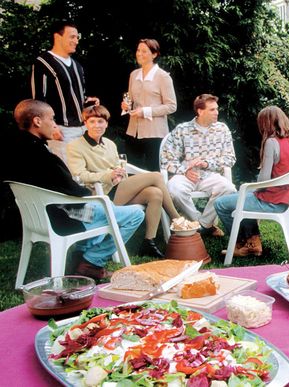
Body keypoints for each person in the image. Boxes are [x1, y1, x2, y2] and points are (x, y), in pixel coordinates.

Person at [5, 100, 143, 280]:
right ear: (37, 121)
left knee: (99, 208)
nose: (55, 124)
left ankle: (80, 257)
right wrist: (95, 196)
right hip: (65, 216)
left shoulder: (14, 149)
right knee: (135, 213)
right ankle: (91, 262)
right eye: (52, 119)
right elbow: (75, 191)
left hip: (40, 216)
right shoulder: (41, 155)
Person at [67, 105, 184, 258]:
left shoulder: (109, 144)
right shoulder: (75, 146)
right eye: (92, 122)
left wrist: (118, 173)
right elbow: (79, 175)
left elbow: (117, 165)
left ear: (106, 124)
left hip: (118, 187)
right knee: (156, 176)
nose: (97, 125)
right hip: (101, 193)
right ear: (86, 123)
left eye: (100, 122)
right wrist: (108, 175)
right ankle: (177, 220)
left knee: (155, 193)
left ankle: (149, 242)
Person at [215, 106, 289, 256]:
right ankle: (253, 241)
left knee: (221, 203)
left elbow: (264, 180)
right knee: (245, 196)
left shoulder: (272, 142)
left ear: (265, 124)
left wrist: (251, 187)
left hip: (273, 201)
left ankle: (242, 243)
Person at [161, 94, 236, 237]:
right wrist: (184, 171)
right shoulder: (182, 130)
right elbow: (167, 158)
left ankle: (202, 224)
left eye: (217, 109)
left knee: (228, 189)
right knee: (174, 188)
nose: (217, 112)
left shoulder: (222, 129)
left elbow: (230, 158)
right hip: (186, 175)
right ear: (200, 111)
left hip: (210, 175)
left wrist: (208, 163)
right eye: (212, 110)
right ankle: (199, 223)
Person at [31, 21, 99, 161]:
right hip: (62, 131)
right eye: (72, 37)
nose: (76, 41)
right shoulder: (43, 63)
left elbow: (74, 97)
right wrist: (53, 127)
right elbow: (38, 102)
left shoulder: (77, 66)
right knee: (68, 176)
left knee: (87, 174)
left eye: (77, 37)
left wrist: (89, 103)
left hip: (84, 129)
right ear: (57, 37)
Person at [120, 38, 177, 172]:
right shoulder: (134, 75)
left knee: (154, 172)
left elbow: (171, 106)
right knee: (132, 172)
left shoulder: (163, 77)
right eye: (138, 50)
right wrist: (126, 106)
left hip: (155, 133)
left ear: (154, 54)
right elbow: (130, 100)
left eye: (144, 51)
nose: (140, 54)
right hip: (133, 132)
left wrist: (145, 111)